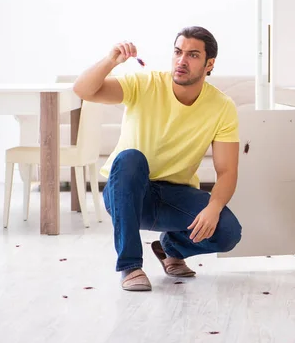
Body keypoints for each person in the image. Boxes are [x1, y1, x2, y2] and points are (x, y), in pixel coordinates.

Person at [73, 26, 243, 291]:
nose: (181, 61)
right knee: (130, 159)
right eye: (178, 52)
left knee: (229, 231)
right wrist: (111, 61)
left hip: (175, 197)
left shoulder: (222, 107)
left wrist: (213, 208)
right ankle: (130, 267)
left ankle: (171, 248)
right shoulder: (145, 83)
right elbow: (83, 90)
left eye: (193, 55)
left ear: (210, 64)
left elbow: (227, 171)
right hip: (129, 193)